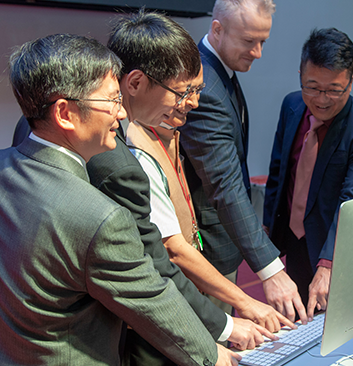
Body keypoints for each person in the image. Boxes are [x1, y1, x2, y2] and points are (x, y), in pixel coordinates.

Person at [10, 10, 265, 366]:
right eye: (184, 91)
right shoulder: (115, 163)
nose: (192, 103)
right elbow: (153, 269)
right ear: (134, 83)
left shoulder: (26, 131)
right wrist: (220, 334)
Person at [0, 33, 226, 366]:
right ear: (65, 113)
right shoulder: (99, 215)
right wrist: (211, 357)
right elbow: (151, 302)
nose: (122, 113)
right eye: (112, 100)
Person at [178, 0, 307, 324]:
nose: (259, 52)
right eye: (249, 41)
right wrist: (270, 269)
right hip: (206, 247)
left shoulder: (219, 69)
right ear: (217, 30)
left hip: (221, 239)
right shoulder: (203, 83)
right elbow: (224, 184)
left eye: (263, 40)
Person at [126, 87, 294, 334]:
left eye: (198, 90)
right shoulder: (138, 147)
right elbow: (173, 248)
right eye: (186, 91)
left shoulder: (167, 132)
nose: (194, 102)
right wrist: (242, 305)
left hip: (188, 286)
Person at [262, 28, 353, 321]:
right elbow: (279, 173)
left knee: (332, 326)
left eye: (334, 89)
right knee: (293, 319)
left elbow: (352, 201)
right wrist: (268, 230)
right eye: (313, 87)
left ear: (351, 82)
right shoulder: (292, 105)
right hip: (293, 236)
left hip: (334, 242)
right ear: (300, 76)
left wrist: (329, 264)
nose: (321, 99)